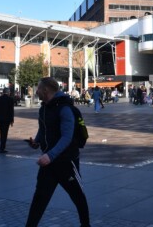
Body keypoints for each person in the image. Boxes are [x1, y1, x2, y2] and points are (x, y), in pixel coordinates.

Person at [25, 77, 90, 227]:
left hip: (66, 162)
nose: (36, 91)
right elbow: (43, 130)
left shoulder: (65, 109)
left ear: (46, 90)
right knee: (40, 198)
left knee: (78, 196)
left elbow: (67, 137)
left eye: (38, 88)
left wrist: (50, 155)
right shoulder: (44, 108)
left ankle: (86, 225)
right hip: (48, 163)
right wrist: (36, 142)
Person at [0, 87, 15, 154]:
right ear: (8, 92)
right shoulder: (10, 99)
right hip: (6, 120)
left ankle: (2, 147)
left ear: (3, 92)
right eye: (9, 92)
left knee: (2, 132)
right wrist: (12, 120)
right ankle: (2, 148)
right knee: (4, 133)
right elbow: (11, 111)